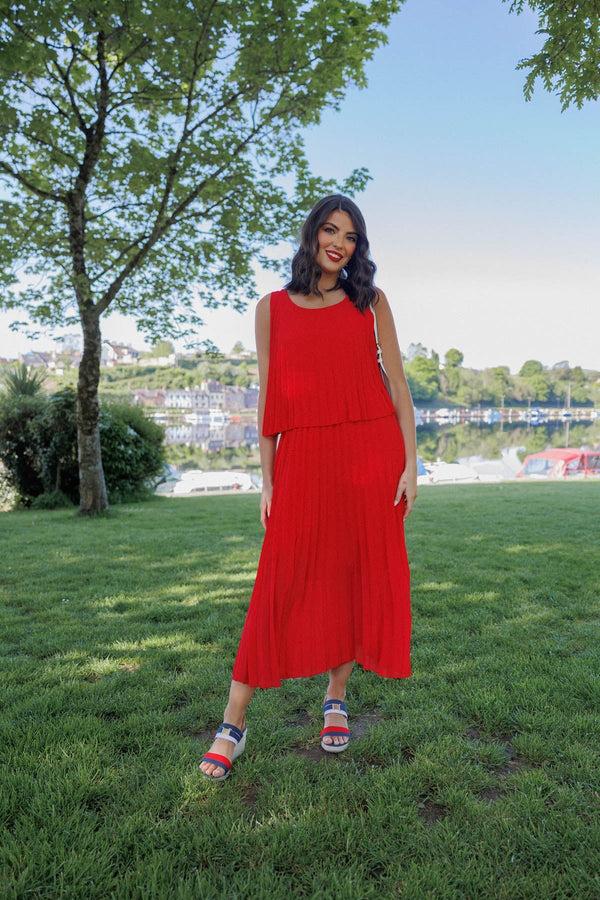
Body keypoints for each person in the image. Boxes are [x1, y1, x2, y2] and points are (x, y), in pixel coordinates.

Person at [200, 194, 417, 781]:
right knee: (280, 580)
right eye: (330, 229)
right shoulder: (271, 308)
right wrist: (267, 479)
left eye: (350, 235)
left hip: (372, 456)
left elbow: (397, 386)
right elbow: (270, 397)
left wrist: (411, 464)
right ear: (312, 235)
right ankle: (232, 723)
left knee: (351, 574)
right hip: (303, 461)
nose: (339, 242)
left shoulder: (370, 303)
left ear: (357, 247)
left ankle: (335, 698)